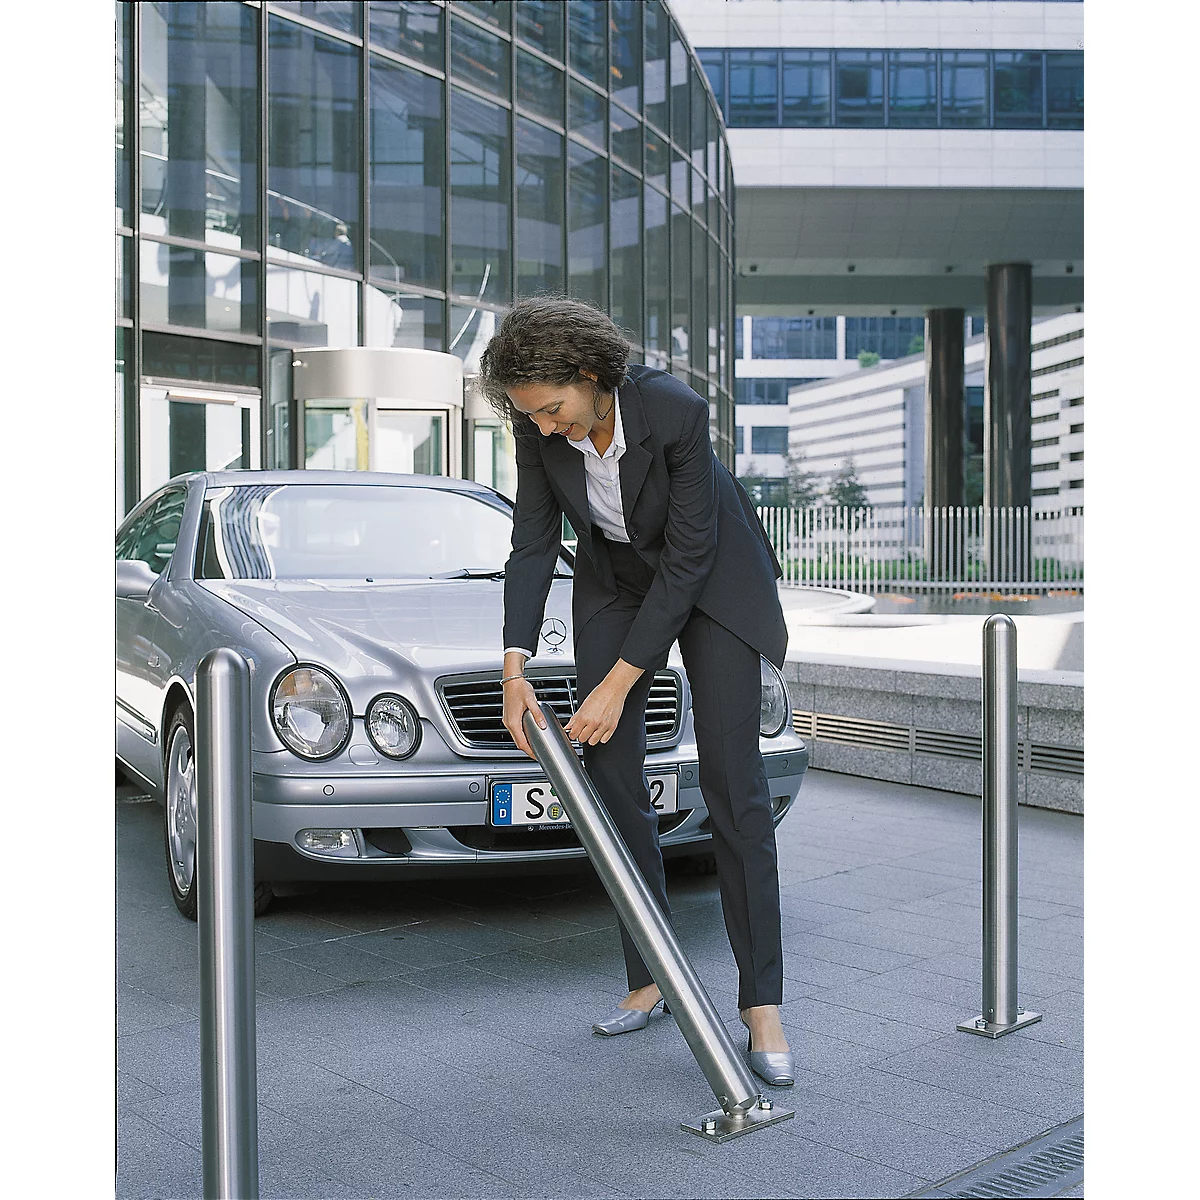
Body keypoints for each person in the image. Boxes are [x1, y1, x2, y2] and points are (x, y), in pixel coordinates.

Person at [480, 298, 794, 1087]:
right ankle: (650, 977)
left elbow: (688, 563)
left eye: (554, 409)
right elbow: (532, 540)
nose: (545, 428)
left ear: (591, 375)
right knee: (614, 782)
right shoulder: (536, 424)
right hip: (616, 582)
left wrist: (623, 682)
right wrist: (514, 669)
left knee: (733, 783)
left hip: (712, 578)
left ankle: (762, 1005)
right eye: (531, 416)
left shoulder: (676, 412)